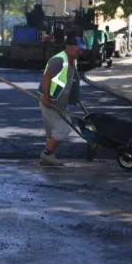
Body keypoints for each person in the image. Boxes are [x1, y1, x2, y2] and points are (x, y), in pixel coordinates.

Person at [38, 34, 86, 166]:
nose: (81, 52)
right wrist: (46, 97)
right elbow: (46, 77)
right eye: (79, 49)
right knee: (63, 128)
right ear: (70, 47)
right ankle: (47, 154)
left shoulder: (71, 60)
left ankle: (49, 156)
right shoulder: (59, 60)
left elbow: (70, 80)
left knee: (55, 129)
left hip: (60, 101)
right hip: (50, 101)